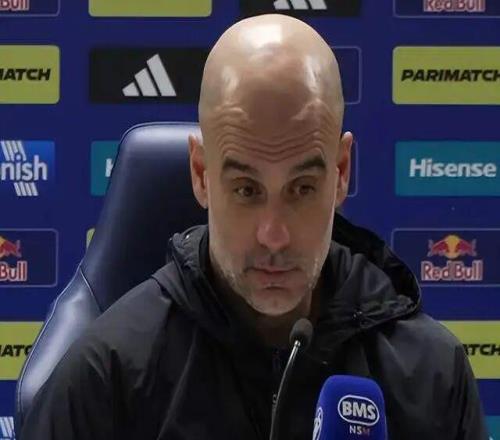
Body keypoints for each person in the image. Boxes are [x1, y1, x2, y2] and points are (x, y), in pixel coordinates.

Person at [21, 14, 487, 440]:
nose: (274, 235)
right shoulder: (105, 379)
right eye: (247, 190)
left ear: (341, 171)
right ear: (201, 175)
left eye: (302, 188)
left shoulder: (431, 376)